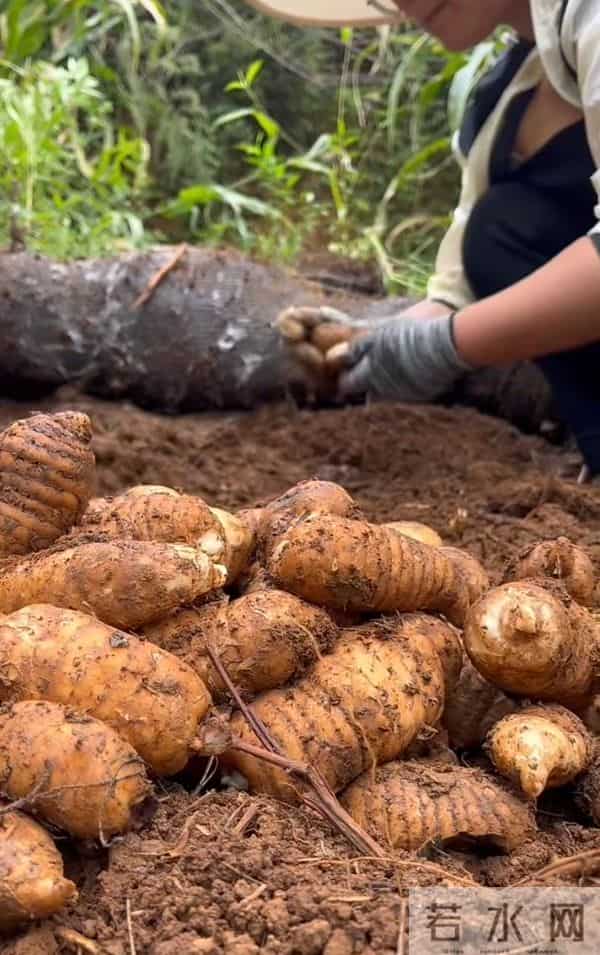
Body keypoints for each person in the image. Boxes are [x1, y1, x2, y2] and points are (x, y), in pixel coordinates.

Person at [243, 0, 600, 480]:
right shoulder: (498, 104)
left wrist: (443, 347)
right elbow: (458, 291)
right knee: (500, 227)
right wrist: (372, 341)